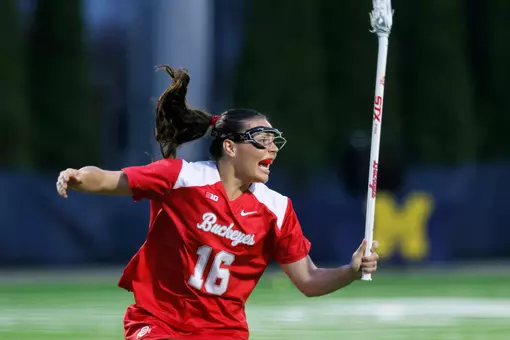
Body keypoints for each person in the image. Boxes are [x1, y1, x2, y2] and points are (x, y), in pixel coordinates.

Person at [56, 65, 379, 340]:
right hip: (158, 323)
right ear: (230, 147)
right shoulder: (182, 178)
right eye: (261, 141)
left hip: (224, 332)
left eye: (274, 142)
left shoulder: (277, 210)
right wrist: (79, 176)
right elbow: (111, 179)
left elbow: (309, 281)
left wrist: (350, 271)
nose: (272, 150)